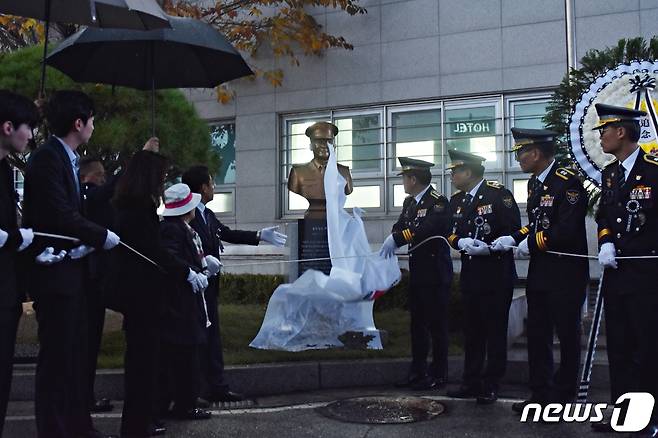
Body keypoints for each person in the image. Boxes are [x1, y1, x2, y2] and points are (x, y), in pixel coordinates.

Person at [22, 90, 120, 438]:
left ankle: (78, 425)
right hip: (55, 274)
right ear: (78, 123)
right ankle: (54, 429)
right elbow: (60, 214)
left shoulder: (68, 158)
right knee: (57, 359)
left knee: (75, 356)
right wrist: (98, 235)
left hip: (75, 273)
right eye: (92, 120)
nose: (94, 126)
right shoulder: (47, 158)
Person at [110, 150, 208, 438]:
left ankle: (140, 422)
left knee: (144, 364)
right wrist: (186, 272)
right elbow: (155, 251)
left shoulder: (133, 206)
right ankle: (137, 424)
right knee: (143, 365)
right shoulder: (138, 209)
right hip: (143, 297)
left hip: (141, 296)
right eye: (162, 177)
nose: (163, 183)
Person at [491, 128, 589, 413]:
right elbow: (536, 223)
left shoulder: (567, 182)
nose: (519, 159)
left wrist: (531, 243)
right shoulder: (535, 184)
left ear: (535, 153)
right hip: (541, 272)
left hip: (565, 272)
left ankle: (565, 391)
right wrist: (517, 237)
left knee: (567, 334)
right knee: (538, 332)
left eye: (521, 153)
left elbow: (566, 229)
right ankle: (541, 391)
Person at [181, 165, 286, 403]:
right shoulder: (188, 216)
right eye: (211, 182)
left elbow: (225, 233)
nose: (214, 187)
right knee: (197, 341)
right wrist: (201, 264)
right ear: (202, 187)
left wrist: (259, 236)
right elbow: (179, 249)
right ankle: (193, 391)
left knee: (212, 339)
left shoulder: (206, 214)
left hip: (210, 288)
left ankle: (217, 386)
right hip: (194, 289)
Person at [592, 104, 658, 437]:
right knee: (618, 345)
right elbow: (605, 214)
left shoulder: (654, 169)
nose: (600, 136)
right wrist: (605, 241)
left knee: (647, 348)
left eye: (604, 130)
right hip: (617, 273)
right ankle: (622, 412)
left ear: (621, 131)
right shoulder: (610, 173)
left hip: (648, 276)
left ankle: (648, 417)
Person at [444, 149, 521, 404]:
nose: (452, 175)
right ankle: (471, 380)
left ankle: (491, 383)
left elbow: (513, 230)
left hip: (496, 275)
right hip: (471, 276)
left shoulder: (498, 194)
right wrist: (461, 241)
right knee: (473, 332)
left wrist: (493, 246)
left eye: (455, 171)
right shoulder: (457, 201)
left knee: (495, 332)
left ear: (469, 171)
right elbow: (450, 233)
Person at [379, 157, 452, 390]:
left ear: (413, 179)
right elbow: (400, 225)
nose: (402, 181)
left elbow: (428, 228)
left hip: (435, 273)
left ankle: (439, 373)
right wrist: (395, 235)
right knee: (417, 324)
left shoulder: (438, 202)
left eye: (404, 177)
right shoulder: (410, 203)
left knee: (437, 325)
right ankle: (417, 371)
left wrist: (399, 238)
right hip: (419, 272)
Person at [157, 183, 217, 420]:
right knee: (184, 356)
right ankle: (184, 404)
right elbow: (170, 258)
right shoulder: (173, 230)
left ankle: (184, 401)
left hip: (184, 303)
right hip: (179, 305)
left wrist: (204, 265)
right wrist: (191, 272)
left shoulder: (180, 228)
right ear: (187, 209)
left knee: (184, 355)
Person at [0, 90, 38, 437]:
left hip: (8, 293)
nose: (31, 136)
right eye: (28, 127)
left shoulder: (6, 168)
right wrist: (13, 238)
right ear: (7, 126)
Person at [287, 121, 353, 219]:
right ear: (311, 145)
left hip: (335, 218)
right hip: (311, 219)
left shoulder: (344, 172)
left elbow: (348, 191)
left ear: (334, 146)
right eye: (319, 141)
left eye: (329, 141)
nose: (324, 145)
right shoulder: (298, 173)